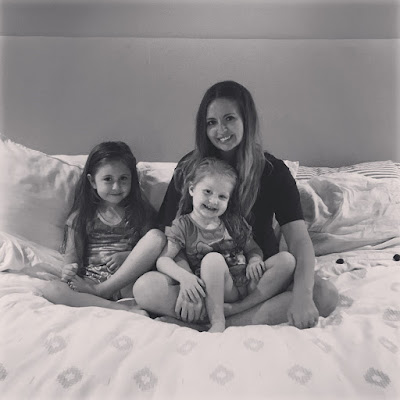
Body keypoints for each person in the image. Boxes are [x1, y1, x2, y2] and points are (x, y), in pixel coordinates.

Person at [133, 80, 338, 329]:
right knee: (145, 288)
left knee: (325, 295)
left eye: (229, 119)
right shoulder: (190, 168)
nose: (220, 130)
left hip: (257, 279)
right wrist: (189, 285)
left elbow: (299, 241)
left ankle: (223, 318)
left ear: (246, 120)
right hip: (202, 277)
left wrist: (303, 295)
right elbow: (171, 236)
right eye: (211, 122)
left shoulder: (273, 171)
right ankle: (221, 313)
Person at [157, 157, 295, 332]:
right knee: (212, 260)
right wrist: (185, 278)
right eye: (207, 192)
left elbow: (253, 248)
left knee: (287, 260)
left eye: (222, 196)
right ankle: (217, 321)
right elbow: (163, 260)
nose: (214, 201)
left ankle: (237, 310)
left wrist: (255, 260)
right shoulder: (183, 225)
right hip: (219, 290)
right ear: (192, 189)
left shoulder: (233, 222)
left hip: (247, 283)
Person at [37, 141, 166, 313]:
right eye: (108, 179)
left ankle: (104, 292)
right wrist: (69, 269)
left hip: (126, 282)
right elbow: (72, 258)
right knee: (51, 289)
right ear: (92, 181)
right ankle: (117, 307)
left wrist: (127, 256)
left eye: (123, 179)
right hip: (91, 281)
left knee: (157, 236)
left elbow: (151, 251)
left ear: (132, 179)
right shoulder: (81, 216)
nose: (116, 187)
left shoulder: (139, 212)